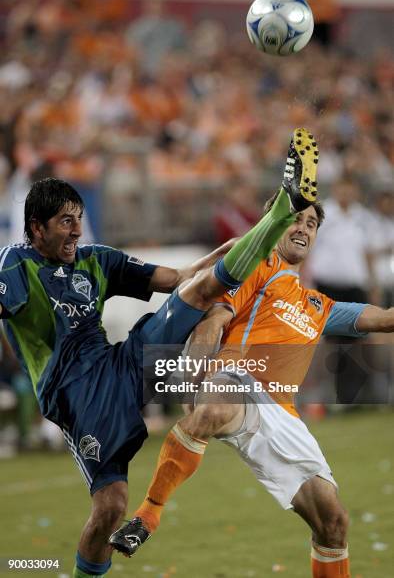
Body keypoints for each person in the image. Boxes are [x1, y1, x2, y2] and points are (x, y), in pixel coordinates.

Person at [0, 127, 318, 578]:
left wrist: (255, 236)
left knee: (203, 289)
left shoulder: (96, 259)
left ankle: (280, 214)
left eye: (78, 218)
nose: (76, 231)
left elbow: (182, 276)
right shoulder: (15, 264)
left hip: (124, 362)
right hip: (76, 396)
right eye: (65, 222)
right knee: (111, 507)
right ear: (36, 228)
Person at [113, 186, 394, 578]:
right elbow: (214, 321)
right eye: (295, 218)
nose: (303, 227)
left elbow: (385, 318)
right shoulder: (256, 267)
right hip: (237, 381)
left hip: (282, 415)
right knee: (218, 404)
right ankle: (147, 517)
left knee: (333, 524)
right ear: (275, 225)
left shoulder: (320, 306)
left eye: (311, 223)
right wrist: (194, 380)